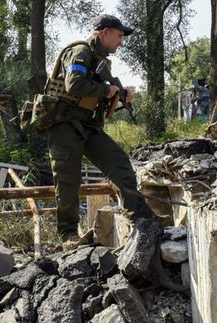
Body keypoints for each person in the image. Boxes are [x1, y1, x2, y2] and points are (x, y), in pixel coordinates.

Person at [45, 14, 155, 242]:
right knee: (68, 181)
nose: (121, 42)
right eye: (119, 36)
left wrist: (121, 93)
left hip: (88, 125)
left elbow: (96, 89)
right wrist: (106, 90)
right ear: (104, 32)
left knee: (119, 163)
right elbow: (74, 84)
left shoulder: (99, 59)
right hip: (64, 125)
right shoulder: (80, 52)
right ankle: (68, 235)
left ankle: (144, 221)